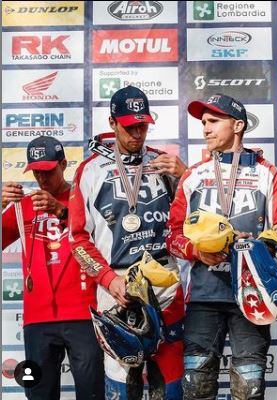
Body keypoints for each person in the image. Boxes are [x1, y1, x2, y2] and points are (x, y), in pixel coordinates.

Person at [166, 93, 277, 400]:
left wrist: (257, 248)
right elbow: (172, 236)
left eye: (213, 121)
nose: (205, 128)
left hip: (252, 297)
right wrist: (198, 252)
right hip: (204, 295)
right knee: (196, 388)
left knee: (249, 389)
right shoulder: (193, 175)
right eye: (203, 122)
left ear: (238, 125)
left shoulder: (267, 172)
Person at [69, 86, 187, 399]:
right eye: (129, 126)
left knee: (171, 382)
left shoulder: (165, 163)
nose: (137, 133)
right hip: (116, 287)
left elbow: (195, 220)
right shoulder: (89, 171)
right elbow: (78, 239)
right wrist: (109, 280)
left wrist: (186, 176)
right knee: (123, 384)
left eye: (142, 126)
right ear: (112, 122)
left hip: (164, 282)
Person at [2, 136, 103, 399]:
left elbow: (102, 241)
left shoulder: (84, 199)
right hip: (37, 319)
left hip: (84, 314)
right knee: (38, 394)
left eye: (48, 171)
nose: (42, 178)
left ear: (63, 164)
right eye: (36, 172)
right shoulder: (23, 206)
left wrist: (60, 210)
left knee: (92, 393)